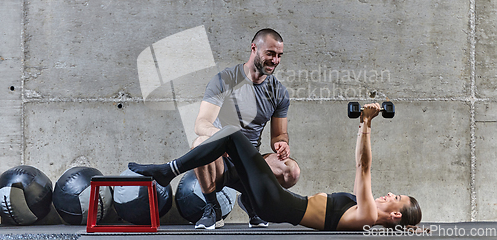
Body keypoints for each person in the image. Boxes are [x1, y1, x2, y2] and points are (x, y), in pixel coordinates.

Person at [129, 103, 422, 231]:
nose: (389, 194)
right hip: (278, 203)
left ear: (394, 213)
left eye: (396, 198)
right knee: (232, 147)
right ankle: (182, 177)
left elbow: (363, 166)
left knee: (231, 134)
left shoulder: (369, 213)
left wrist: (366, 123)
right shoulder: (369, 217)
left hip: (278, 203)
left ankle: (167, 171)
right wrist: (412, 228)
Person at [190, 28, 300, 229]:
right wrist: (223, 138)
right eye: (270, 54)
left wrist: (282, 143)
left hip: (250, 162)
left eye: (279, 56)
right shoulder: (224, 80)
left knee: (290, 171)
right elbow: (201, 124)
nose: (275, 61)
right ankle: (212, 207)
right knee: (199, 143)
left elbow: (278, 134)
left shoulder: (279, 92)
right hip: (220, 161)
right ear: (254, 49)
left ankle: (250, 200)